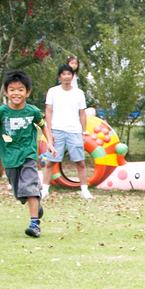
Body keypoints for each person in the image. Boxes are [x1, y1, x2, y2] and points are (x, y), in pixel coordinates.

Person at [0, 70, 46, 237]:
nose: (16, 93)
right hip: (9, 157)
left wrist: (51, 143)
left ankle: (34, 224)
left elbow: (43, 126)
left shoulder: (32, 111)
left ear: (27, 92)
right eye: (12, 89)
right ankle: (36, 204)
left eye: (20, 89)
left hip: (28, 154)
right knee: (20, 193)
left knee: (29, 187)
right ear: (6, 92)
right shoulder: (0, 112)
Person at [45, 63, 91, 199]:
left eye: (69, 74)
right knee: (50, 162)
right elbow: (48, 112)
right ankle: (45, 190)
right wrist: (49, 132)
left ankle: (84, 190)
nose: (66, 77)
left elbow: (82, 114)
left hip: (74, 131)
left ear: (73, 76)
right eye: (64, 74)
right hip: (57, 130)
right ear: (60, 76)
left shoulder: (79, 93)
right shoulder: (52, 91)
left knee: (80, 162)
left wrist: (84, 132)